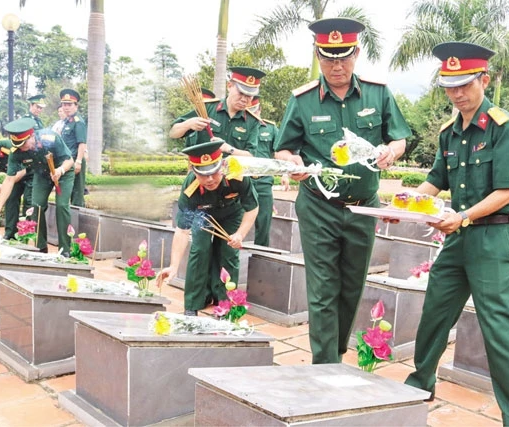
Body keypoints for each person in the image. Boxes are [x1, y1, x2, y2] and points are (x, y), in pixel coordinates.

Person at [402, 42, 509, 426]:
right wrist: (406, 203)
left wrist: (461, 217)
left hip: (494, 240)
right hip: (459, 238)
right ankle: (419, 383)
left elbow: (508, 192)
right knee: (434, 312)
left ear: (484, 79)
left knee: (498, 328)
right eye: (449, 85)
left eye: (464, 84)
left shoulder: (504, 128)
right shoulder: (450, 132)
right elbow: (435, 180)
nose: (456, 93)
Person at [274, 18, 411, 364]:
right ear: (318, 56)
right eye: (328, 57)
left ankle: (335, 350)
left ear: (356, 54)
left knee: (352, 286)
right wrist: (294, 164)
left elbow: (399, 138)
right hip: (319, 206)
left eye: (343, 57)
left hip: (363, 208)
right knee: (322, 288)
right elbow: (283, 148)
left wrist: (391, 152)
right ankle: (325, 365)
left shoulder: (378, 93)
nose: (337, 65)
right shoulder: (303, 100)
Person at [157, 141, 259, 316]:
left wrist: (240, 234)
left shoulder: (236, 175)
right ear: (194, 171)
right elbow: (182, 230)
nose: (210, 179)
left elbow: (252, 208)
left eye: (213, 172)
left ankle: (226, 305)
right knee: (200, 250)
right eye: (203, 175)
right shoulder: (190, 189)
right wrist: (173, 266)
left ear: (222, 165)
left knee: (228, 253)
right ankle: (193, 304)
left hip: (231, 214)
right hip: (202, 216)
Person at [0, 118, 75, 255]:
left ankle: (65, 249)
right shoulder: (16, 152)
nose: (22, 149)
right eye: (18, 146)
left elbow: (69, 160)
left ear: (31, 136)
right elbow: (9, 180)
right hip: (41, 175)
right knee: (36, 206)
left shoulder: (50, 138)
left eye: (24, 144)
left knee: (61, 206)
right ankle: (41, 246)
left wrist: (60, 171)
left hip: (63, 172)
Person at [170, 66, 265, 156]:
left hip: (234, 172)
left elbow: (251, 155)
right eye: (241, 93)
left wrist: (229, 149)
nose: (244, 99)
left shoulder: (252, 121)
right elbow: (172, 133)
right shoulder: (206, 108)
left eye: (249, 95)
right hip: (204, 170)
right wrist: (188, 124)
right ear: (229, 86)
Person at [247, 96, 289, 246]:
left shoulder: (270, 128)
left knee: (264, 222)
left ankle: (260, 256)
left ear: (259, 110)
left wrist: (285, 174)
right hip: (242, 181)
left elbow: (280, 151)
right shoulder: (241, 127)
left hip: (264, 182)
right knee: (235, 222)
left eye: (254, 111)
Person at [59, 89, 87, 207]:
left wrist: (79, 162)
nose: (66, 107)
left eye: (69, 104)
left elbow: (82, 143)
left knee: (77, 193)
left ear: (76, 106)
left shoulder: (78, 122)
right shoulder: (67, 121)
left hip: (75, 159)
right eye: (64, 104)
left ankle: (79, 221)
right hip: (67, 161)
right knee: (67, 191)